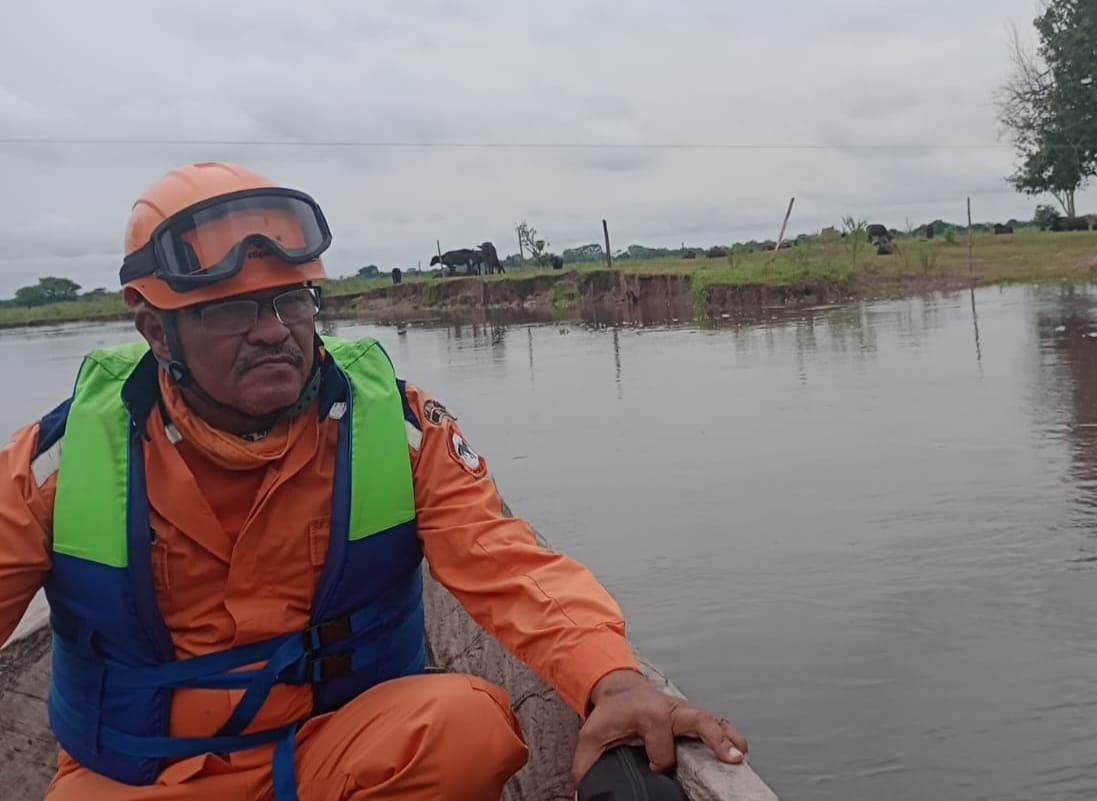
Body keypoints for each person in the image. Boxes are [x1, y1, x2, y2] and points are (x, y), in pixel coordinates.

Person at [0, 162, 748, 801]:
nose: (272, 329)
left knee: (467, 728)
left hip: (332, 757)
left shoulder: (394, 427)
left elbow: (506, 562)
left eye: (291, 300)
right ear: (155, 329)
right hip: (133, 776)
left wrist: (610, 678)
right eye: (230, 310)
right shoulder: (61, 460)